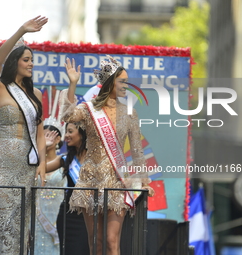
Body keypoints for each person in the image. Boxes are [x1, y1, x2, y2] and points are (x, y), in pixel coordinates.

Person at [59, 56, 154, 255]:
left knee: (112, 242)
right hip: (90, 180)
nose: (126, 86)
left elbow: (136, 151)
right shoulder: (88, 109)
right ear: (109, 83)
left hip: (116, 180)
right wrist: (73, 84)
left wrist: (143, 181)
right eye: (122, 81)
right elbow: (67, 117)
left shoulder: (129, 113)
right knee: (96, 242)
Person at [0, 15, 48, 254]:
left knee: (22, 225)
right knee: (3, 224)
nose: (31, 64)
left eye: (32, 60)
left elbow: (39, 134)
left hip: (26, 165)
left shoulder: (36, 95)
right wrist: (22, 30)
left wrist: (41, 163)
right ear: (15, 62)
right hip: (1, 163)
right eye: (26, 59)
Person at [46, 122, 89, 255]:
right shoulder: (66, 159)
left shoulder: (96, 160)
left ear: (82, 133)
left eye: (70, 131)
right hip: (68, 216)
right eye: (66, 132)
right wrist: (43, 148)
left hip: (88, 215)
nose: (66, 136)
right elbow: (39, 170)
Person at [34, 118, 67, 255]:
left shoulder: (64, 161)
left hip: (57, 214)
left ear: (58, 139)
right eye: (42, 136)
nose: (44, 138)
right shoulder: (33, 163)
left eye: (48, 135)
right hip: (36, 216)